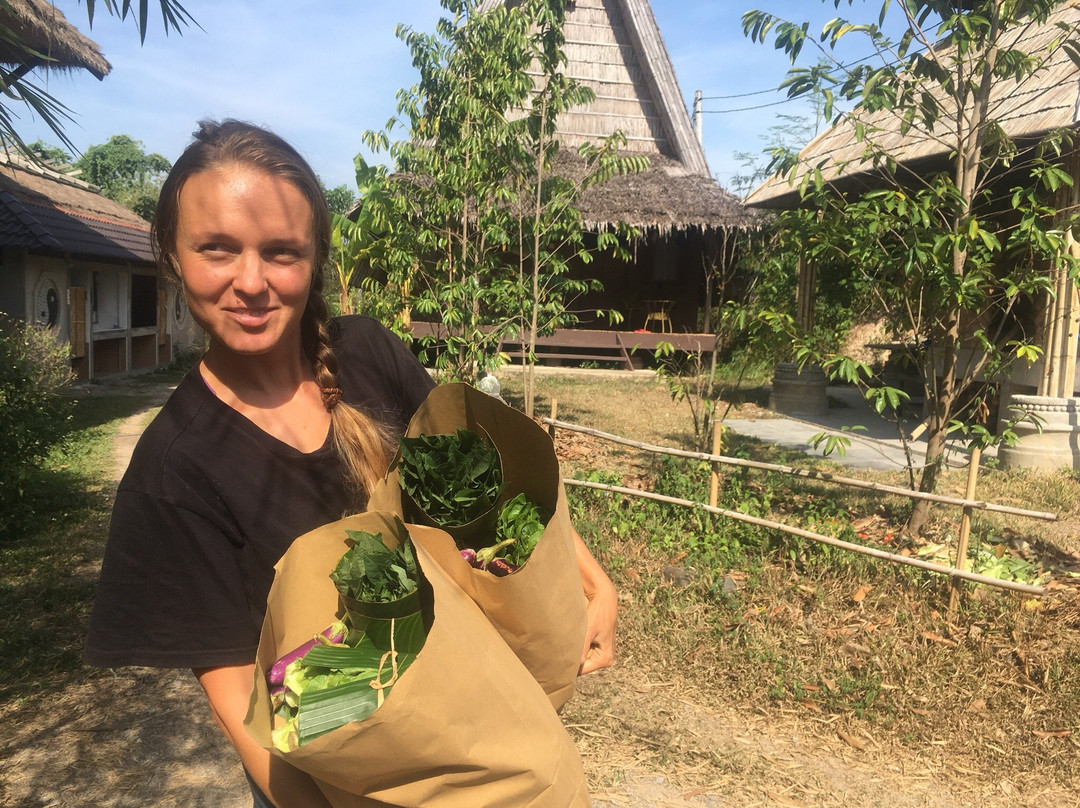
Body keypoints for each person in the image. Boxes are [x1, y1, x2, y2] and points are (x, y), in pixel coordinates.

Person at [84, 119, 618, 808]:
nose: (251, 281)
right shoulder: (174, 470)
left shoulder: (366, 352)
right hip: (339, 777)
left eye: (281, 252)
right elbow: (241, 700)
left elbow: (476, 495)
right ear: (172, 254)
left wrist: (593, 584)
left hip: (480, 707)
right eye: (216, 249)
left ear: (315, 258)